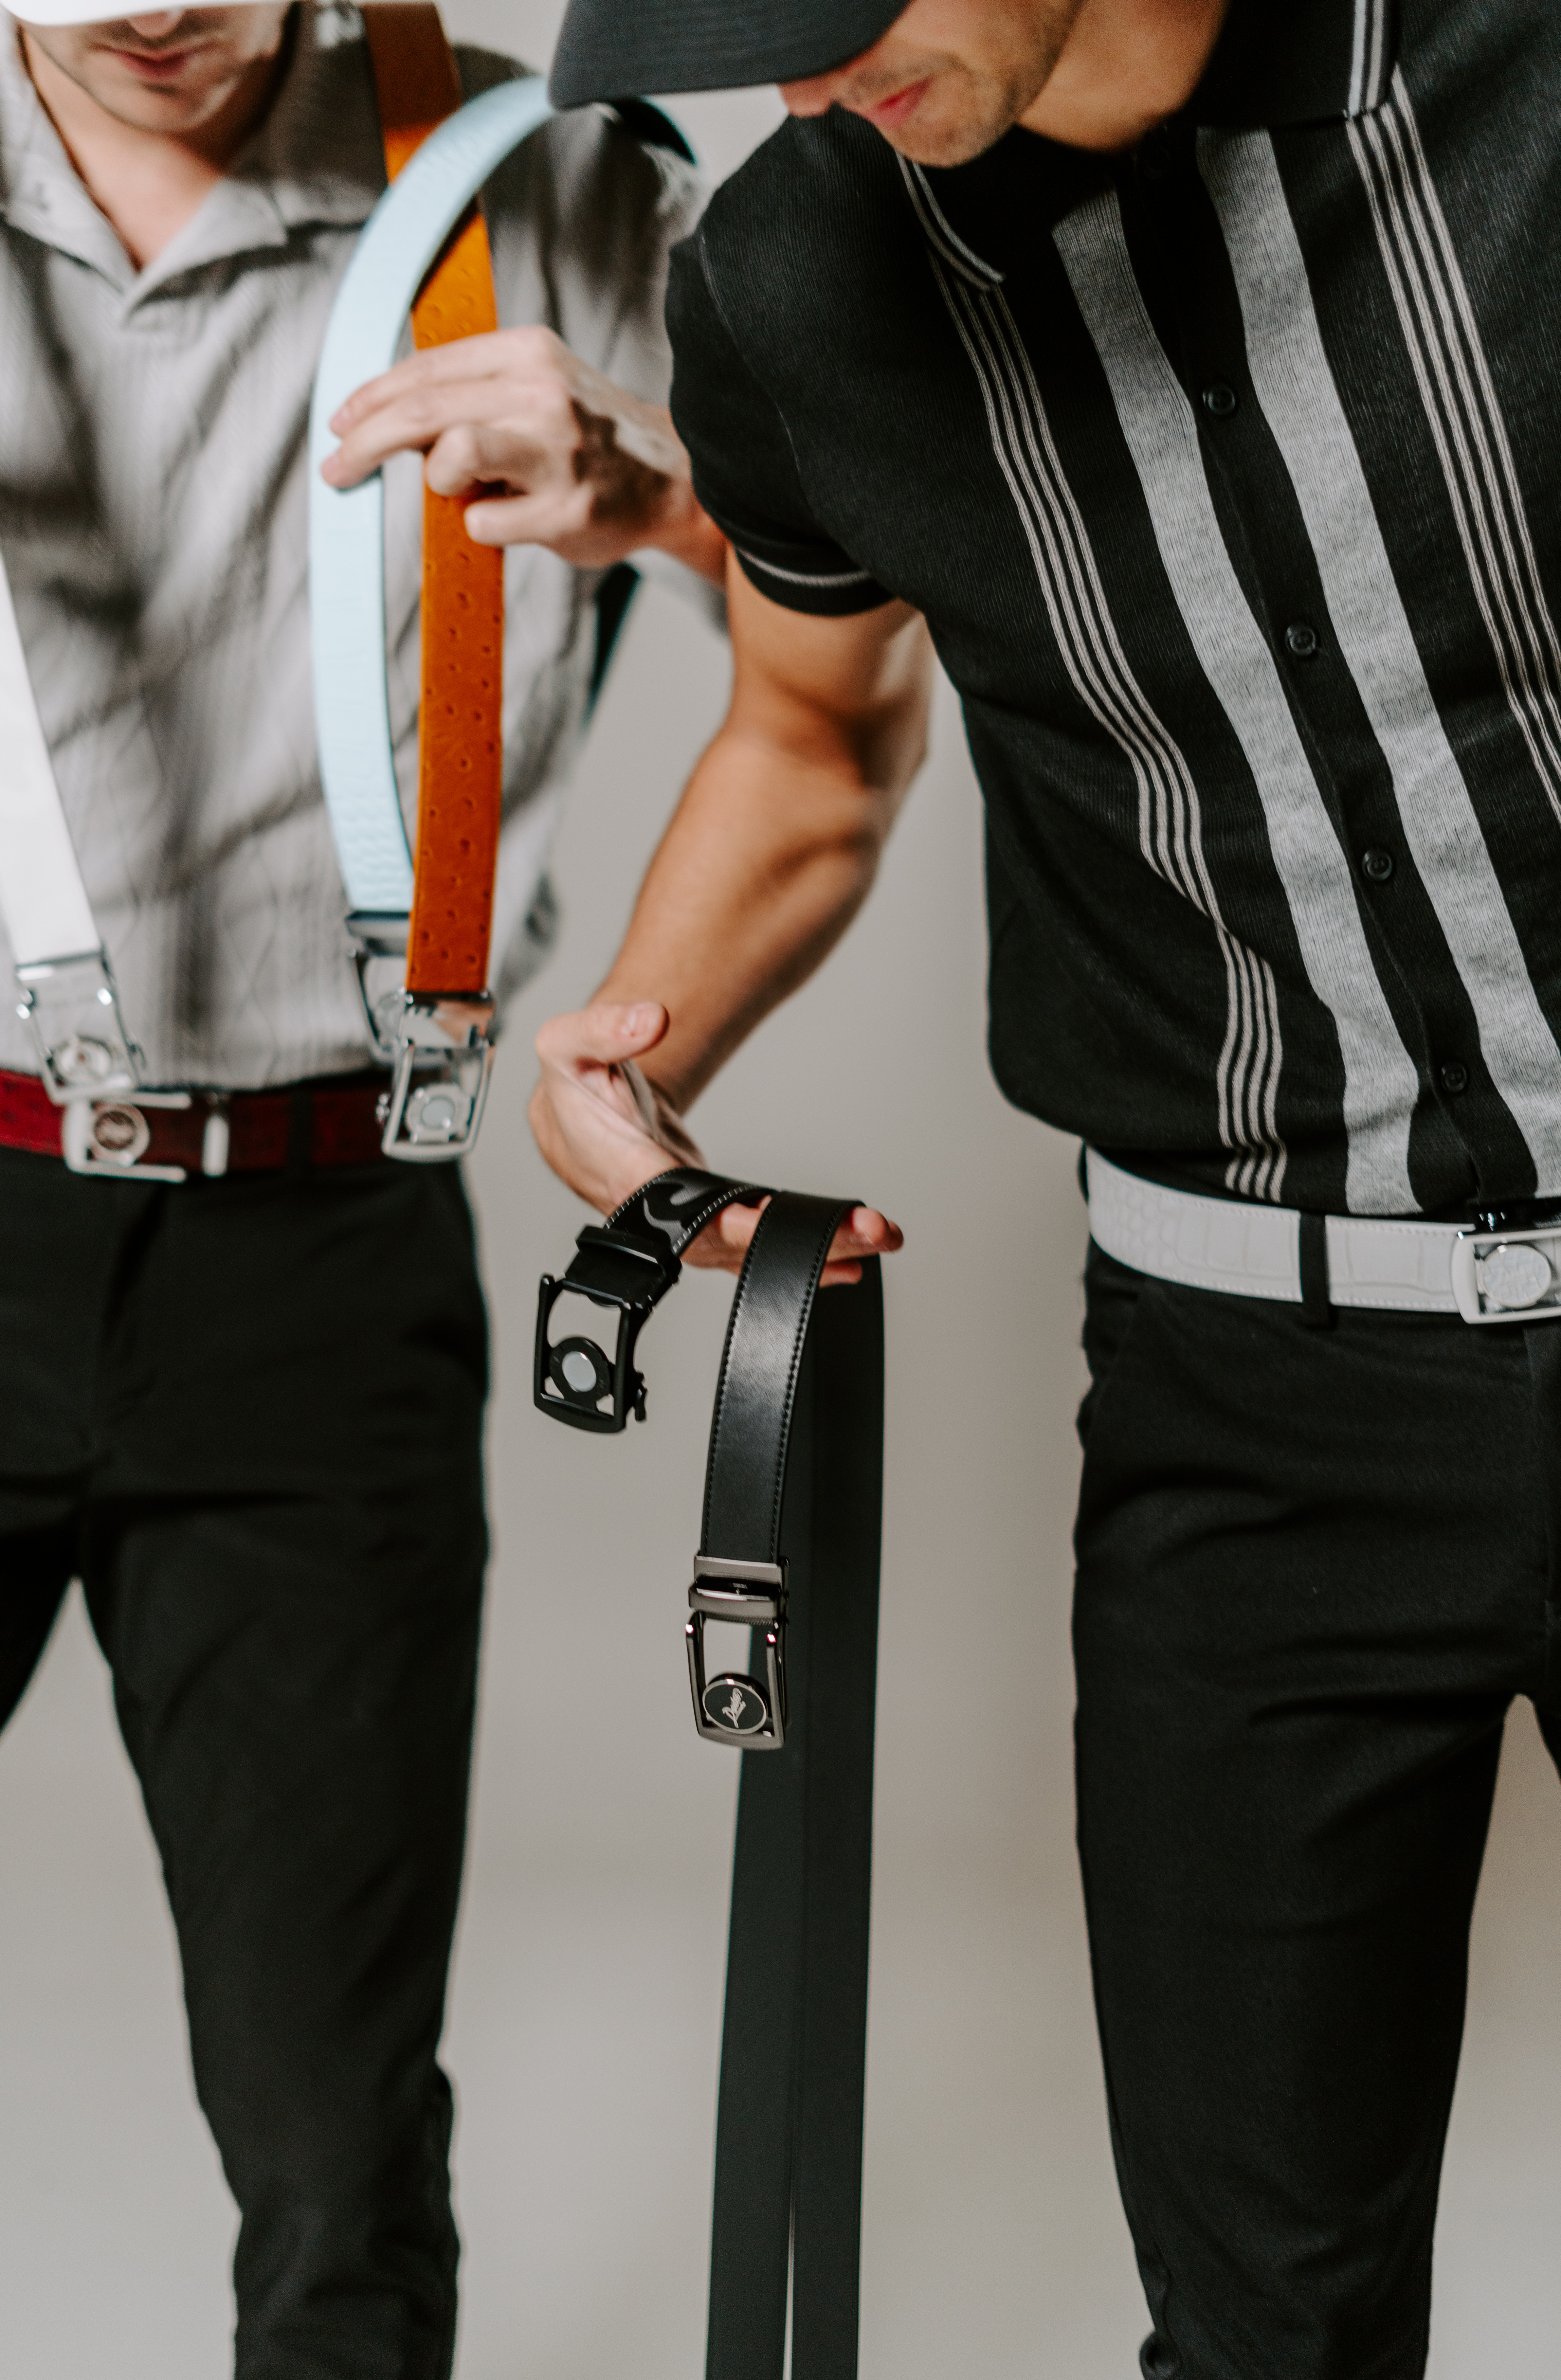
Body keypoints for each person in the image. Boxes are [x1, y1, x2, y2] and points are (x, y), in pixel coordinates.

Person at [531, 0, 1561, 2370]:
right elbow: (807, 742)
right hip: (1249, 1418)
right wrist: (635, 1054)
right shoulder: (792, 279)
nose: (793, 96)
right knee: (1259, 2325)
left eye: (832, 9)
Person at [0, 2, 724, 2370]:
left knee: (338, 2155)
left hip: (321, 1256)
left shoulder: (553, 181)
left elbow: (885, 648)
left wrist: (666, 498)